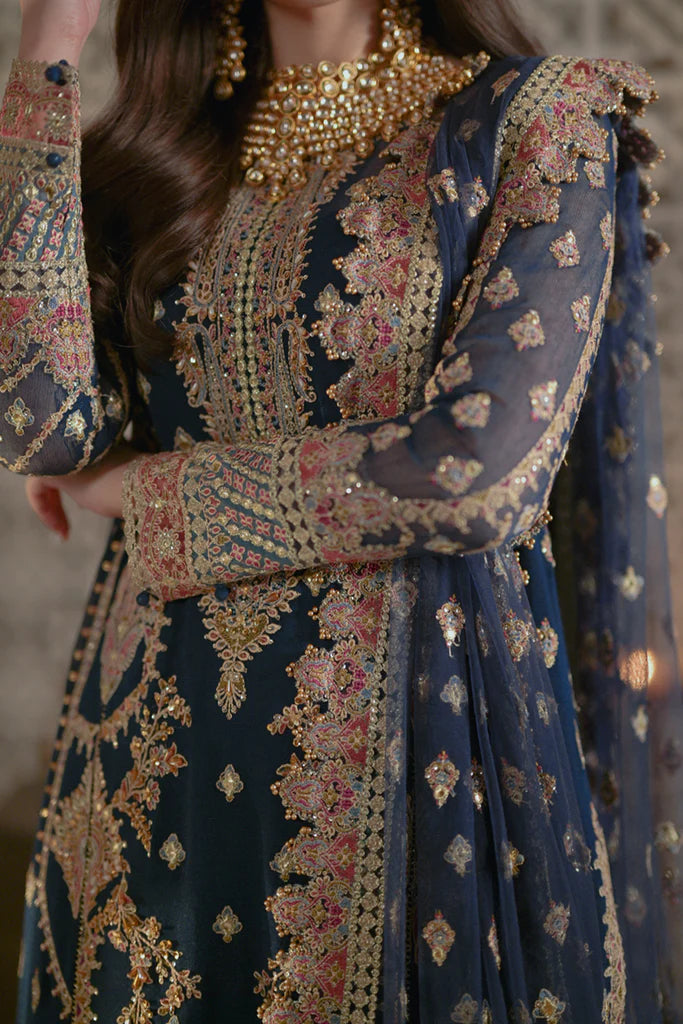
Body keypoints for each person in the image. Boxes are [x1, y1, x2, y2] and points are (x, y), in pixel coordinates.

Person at [1, 0, 681, 1020]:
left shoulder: (531, 122)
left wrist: (144, 490)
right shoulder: (155, 155)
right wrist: (47, 52)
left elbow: (476, 473)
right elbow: (40, 428)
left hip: (420, 752)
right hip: (156, 765)